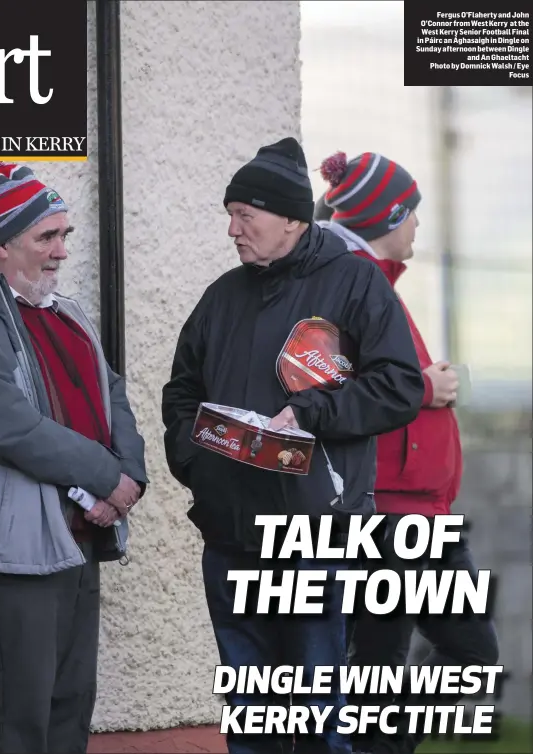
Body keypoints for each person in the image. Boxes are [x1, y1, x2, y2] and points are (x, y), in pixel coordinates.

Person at [162, 138, 425, 754]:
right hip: (229, 536)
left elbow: (400, 386)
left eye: (244, 216)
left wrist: (308, 412)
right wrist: (196, 456)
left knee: (314, 714)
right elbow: (182, 391)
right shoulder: (221, 296)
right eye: (228, 215)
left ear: (290, 218)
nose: (232, 230)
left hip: (316, 536)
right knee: (252, 721)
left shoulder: (354, 282)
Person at [0, 161, 148, 754]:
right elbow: (3, 424)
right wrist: (104, 476)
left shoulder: (63, 311)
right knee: (22, 713)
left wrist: (130, 478)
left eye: (65, 234)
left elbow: (111, 392)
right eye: (47, 237)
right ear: (1, 244)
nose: (62, 251)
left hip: (76, 534)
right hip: (14, 546)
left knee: (69, 706)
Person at [315, 151, 499, 754]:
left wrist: (429, 383)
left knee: (387, 668)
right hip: (393, 513)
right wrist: (426, 388)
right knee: (450, 656)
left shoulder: (367, 280)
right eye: (411, 213)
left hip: (412, 511)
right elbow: (328, 384)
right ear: (387, 215)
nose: (417, 226)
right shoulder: (349, 279)